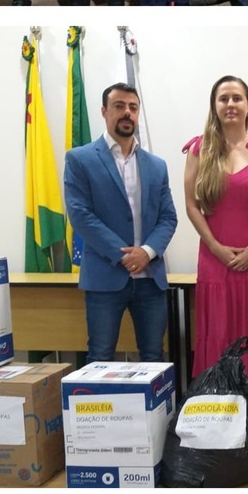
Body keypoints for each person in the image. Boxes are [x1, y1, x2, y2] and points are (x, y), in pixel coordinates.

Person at [182, 75, 248, 385]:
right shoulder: (198, 150)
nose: (230, 104)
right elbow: (192, 206)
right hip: (216, 260)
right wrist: (216, 247)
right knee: (220, 333)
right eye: (224, 98)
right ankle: (222, 418)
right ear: (214, 106)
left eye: (237, 98)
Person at [64, 83, 178, 362]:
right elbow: (80, 215)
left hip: (150, 279)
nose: (127, 113)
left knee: (154, 356)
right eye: (119, 106)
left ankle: (154, 408)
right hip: (105, 277)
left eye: (133, 107)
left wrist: (146, 252)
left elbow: (168, 217)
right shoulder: (80, 159)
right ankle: (99, 407)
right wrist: (125, 255)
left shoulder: (156, 165)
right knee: (100, 354)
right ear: (104, 111)